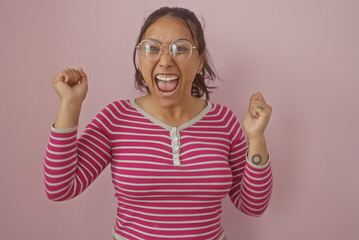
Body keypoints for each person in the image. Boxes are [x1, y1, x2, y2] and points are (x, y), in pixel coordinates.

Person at [44, 6, 273, 240]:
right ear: (140, 58)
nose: (165, 61)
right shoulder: (115, 118)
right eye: (152, 48)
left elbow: (252, 205)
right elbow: (59, 188)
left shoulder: (224, 121)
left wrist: (257, 138)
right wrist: (70, 105)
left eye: (180, 49)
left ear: (199, 61)